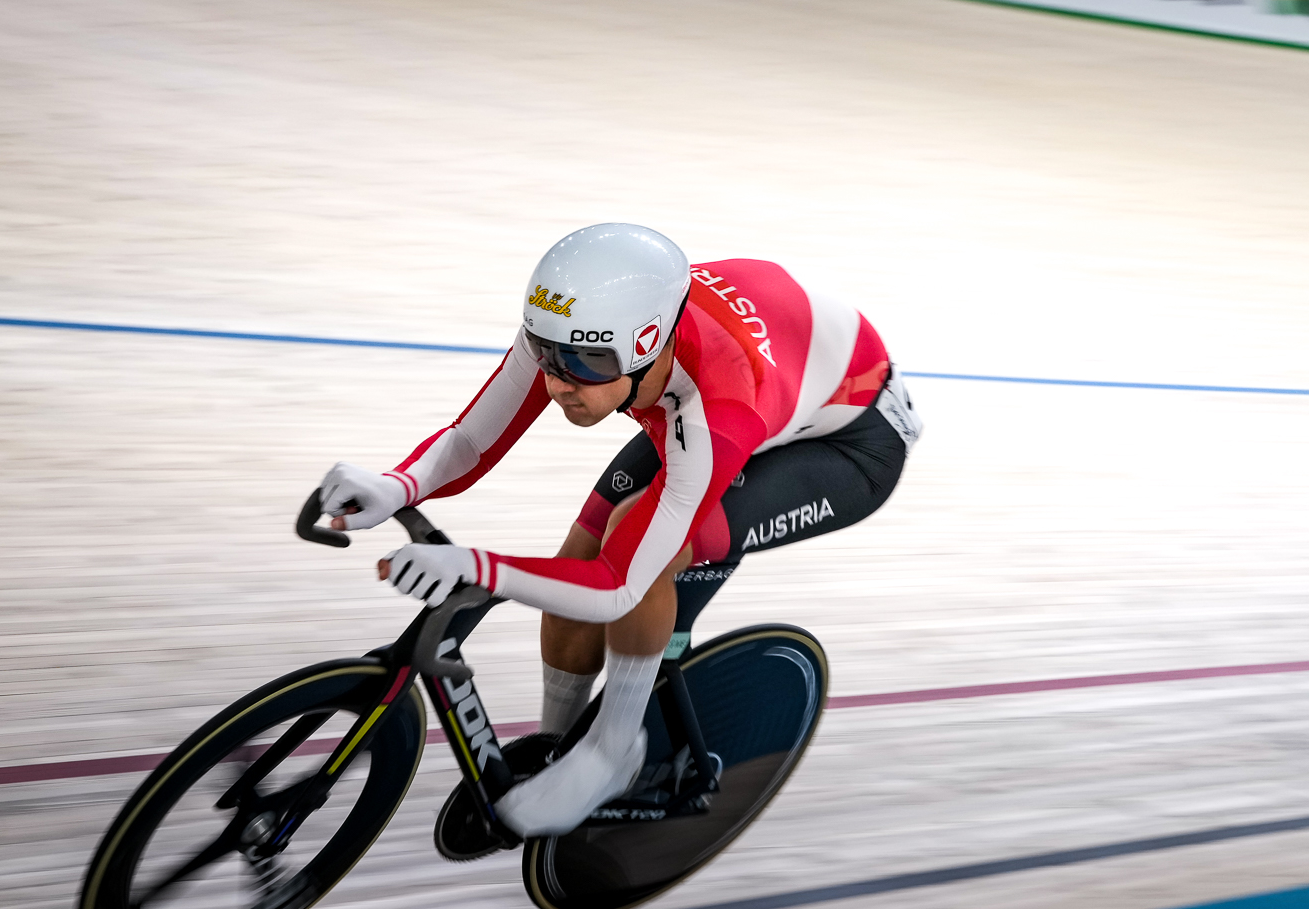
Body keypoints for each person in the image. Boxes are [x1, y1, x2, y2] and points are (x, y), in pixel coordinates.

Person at [316, 223, 920, 837]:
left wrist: (477, 567)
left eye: (584, 364)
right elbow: (473, 438)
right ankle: (558, 746)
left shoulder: (717, 402)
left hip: (849, 444)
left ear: (647, 345)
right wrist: (397, 485)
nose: (558, 384)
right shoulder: (577, 330)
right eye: (546, 354)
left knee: (639, 550)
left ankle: (611, 754)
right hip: (756, 388)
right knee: (577, 553)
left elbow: (616, 587)